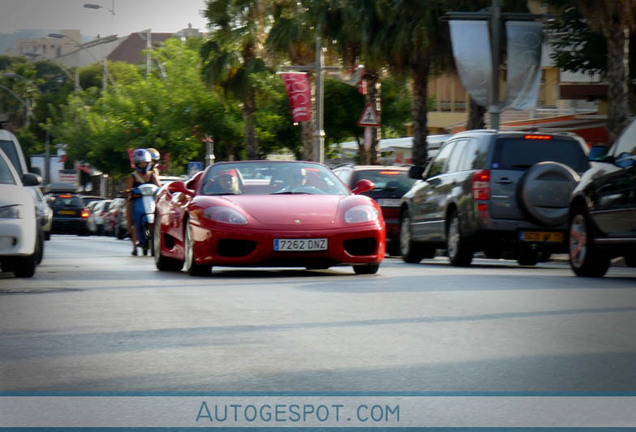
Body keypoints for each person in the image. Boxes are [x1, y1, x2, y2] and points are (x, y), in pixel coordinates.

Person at [124, 148, 161, 256]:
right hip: (137, 200)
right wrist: (129, 192)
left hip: (150, 200)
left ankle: (155, 239)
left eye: (145, 163)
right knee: (134, 219)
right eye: (140, 163)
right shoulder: (133, 176)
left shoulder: (152, 174)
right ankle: (134, 243)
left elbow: (159, 186)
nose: (143, 165)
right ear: (136, 163)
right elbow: (127, 189)